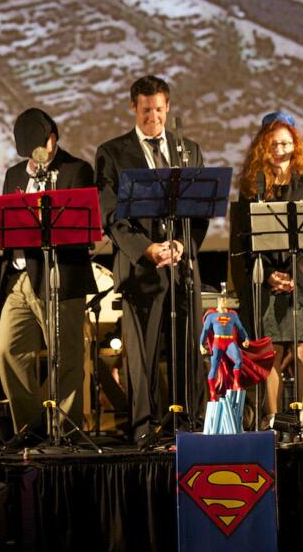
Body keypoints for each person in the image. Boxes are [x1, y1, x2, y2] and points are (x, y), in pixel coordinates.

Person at [95, 75, 207, 449]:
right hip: (141, 271)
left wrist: (180, 245)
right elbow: (112, 215)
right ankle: (144, 428)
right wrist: (147, 248)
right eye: (146, 110)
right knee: (141, 357)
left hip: (180, 267)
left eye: (159, 109)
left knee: (187, 347)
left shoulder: (188, 150)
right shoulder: (112, 153)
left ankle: (188, 424)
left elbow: (200, 211)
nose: (153, 117)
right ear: (133, 108)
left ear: (168, 107)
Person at [0, 108, 97, 442]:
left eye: (50, 141)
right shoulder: (13, 175)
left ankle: (66, 429)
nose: (47, 150)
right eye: (39, 145)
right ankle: (31, 426)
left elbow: (80, 228)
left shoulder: (76, 170)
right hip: (20, 278)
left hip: (60, 276)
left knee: (65, 357)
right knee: (7, 349)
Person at [235, 112, 303, 429]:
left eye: (287, 143)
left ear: (296, 146)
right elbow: (245, 239)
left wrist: (295, 275)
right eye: (275, 144)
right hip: (270, 279)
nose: (281, 149)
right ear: (263, 146)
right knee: (272, 352)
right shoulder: (253, 186)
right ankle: (272, 416)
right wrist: (269, 276)